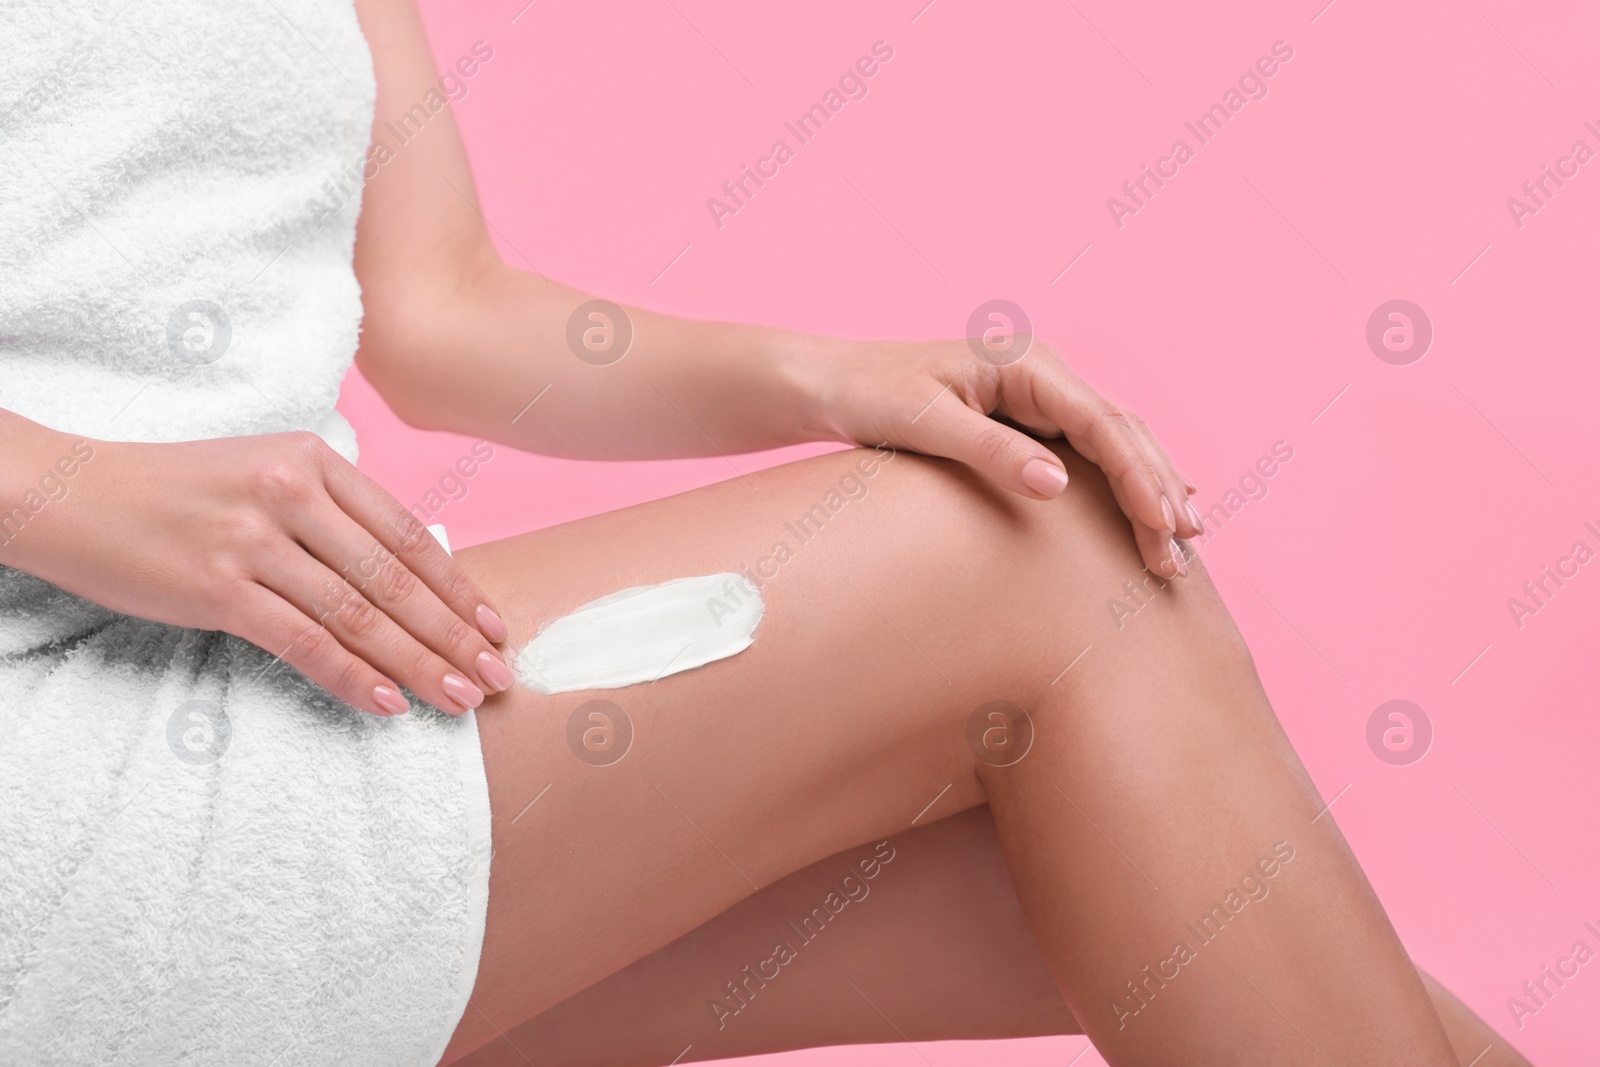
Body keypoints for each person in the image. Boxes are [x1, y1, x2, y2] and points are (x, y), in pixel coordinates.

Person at [0, 1, 1533, 1064]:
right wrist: (67, 488)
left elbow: (440, 311)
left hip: (292, 688)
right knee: (1037, 564)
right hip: (57, 768)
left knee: (1164, 886)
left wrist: (831, 375)